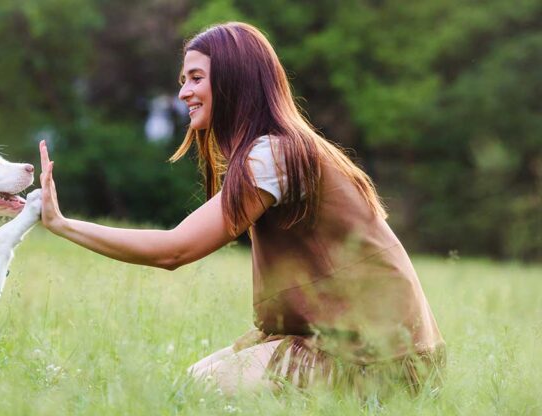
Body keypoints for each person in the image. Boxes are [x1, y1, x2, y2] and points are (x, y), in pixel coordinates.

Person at [37, 22, 444, 396]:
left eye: (196, 78)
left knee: (201, 391)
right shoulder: (278, 150)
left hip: (379, 362)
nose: (183, 92)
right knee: (192, 383)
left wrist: (63, 225)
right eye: (183, 80)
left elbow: (174, 250)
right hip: (362, 347)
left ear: (235, 81)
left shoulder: (276, 155)